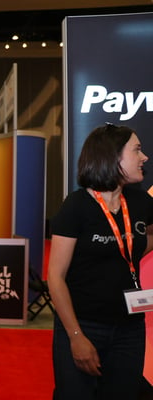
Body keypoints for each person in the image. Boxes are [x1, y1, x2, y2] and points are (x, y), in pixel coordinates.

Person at [47, 123, 153, 400]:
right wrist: (75, 335)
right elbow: (56, 277)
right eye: (137, 150)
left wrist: (134, 245)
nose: (144, 158)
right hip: (84, 325)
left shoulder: (141, 202)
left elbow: (139, 241)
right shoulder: (77, 206)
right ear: (113, 156)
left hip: (130, 328)